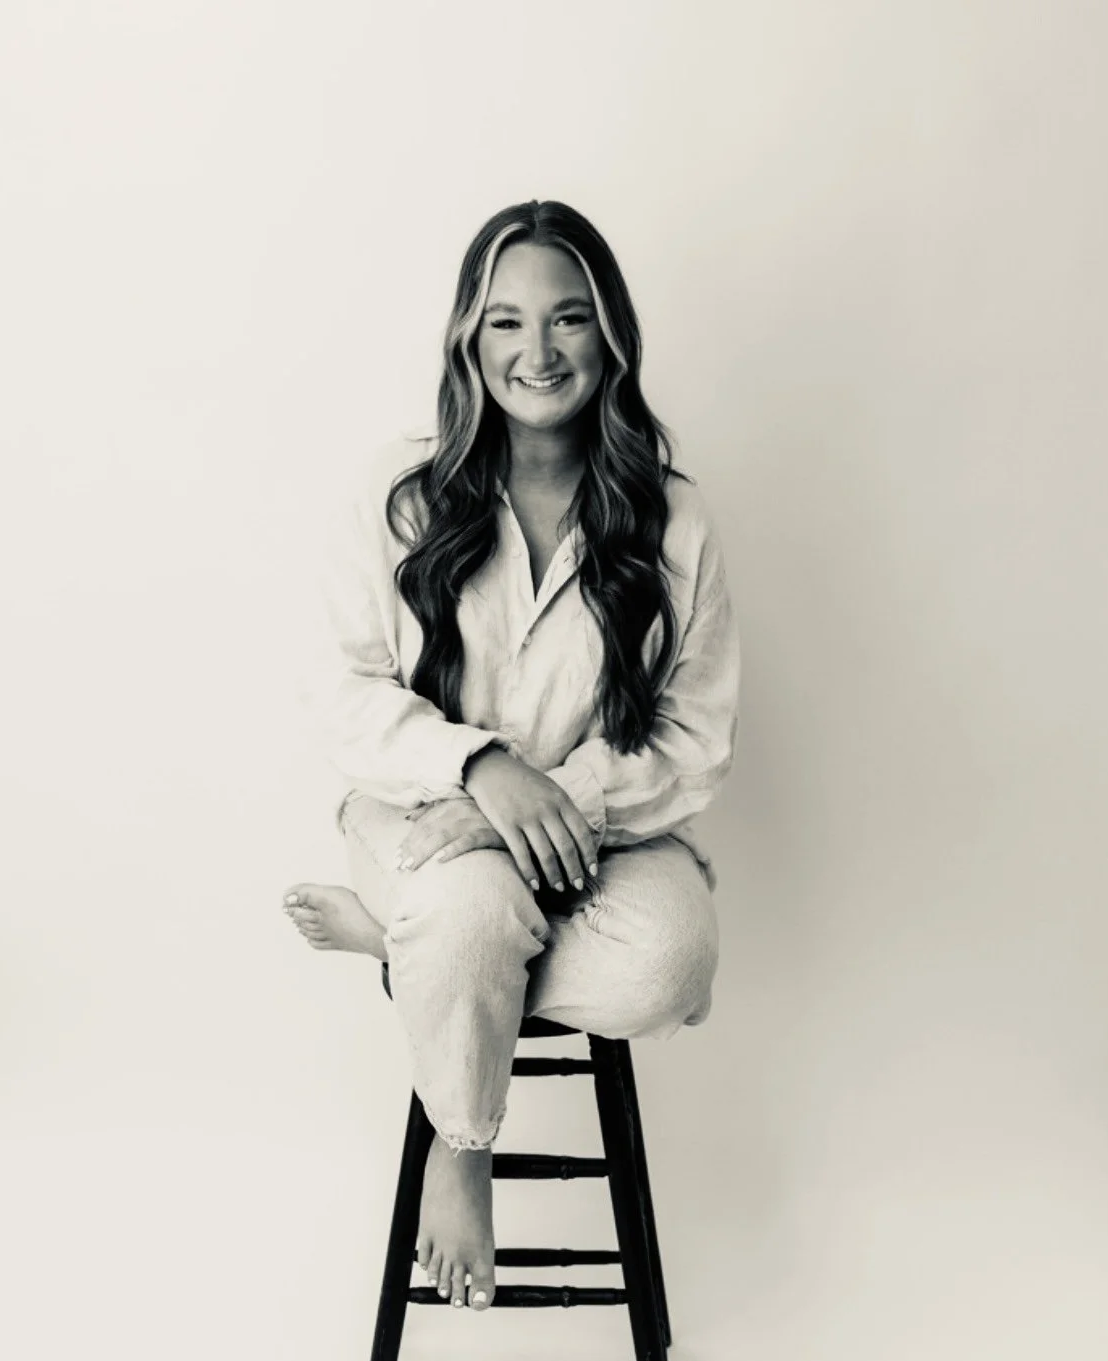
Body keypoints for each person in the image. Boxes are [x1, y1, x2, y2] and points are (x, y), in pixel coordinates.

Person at [281, 199, 741, 1315]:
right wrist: (480, 770)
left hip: (608, 840)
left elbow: (693, 737)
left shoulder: (671, 521)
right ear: (466, 339)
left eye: (569, 319)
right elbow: (343, 694)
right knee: (471, 907)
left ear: (610, 335)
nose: (538, 352)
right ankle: (462, 1140)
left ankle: (405, 946)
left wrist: (539, 803)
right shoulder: (396, 496)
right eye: (505, 322)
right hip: (423, 819)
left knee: (668, 966)